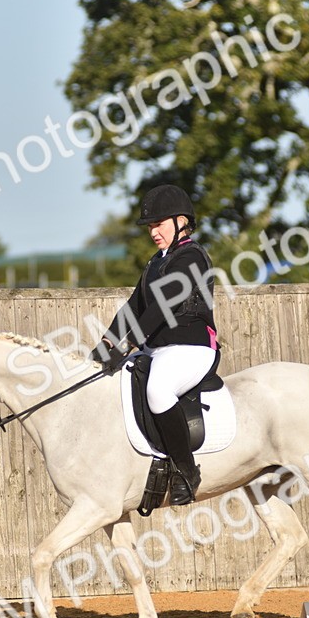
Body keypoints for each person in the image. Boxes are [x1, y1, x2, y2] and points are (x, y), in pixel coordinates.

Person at [89, 184, 218, 506]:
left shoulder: (191, 257)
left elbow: (162, 306)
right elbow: (134, 305)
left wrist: (128, 343)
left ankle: (186, 471)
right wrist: (106, 342)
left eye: (158, 225)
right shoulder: (157, 261)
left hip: (191, 347)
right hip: (157, 349)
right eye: (150, 227)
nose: (153, 232)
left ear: (180, 221)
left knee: (158, 391)